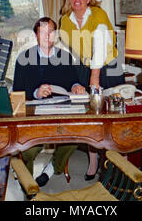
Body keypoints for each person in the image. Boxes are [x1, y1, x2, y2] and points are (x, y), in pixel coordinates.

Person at [59, 0, 125, 181]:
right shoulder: (65, 20)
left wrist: (94, 77)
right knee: (90, 117)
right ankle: (94, 161)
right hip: (84, 66)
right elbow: (68, 48)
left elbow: (100, 45)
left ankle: (117, 164)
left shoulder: (98, 15)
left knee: (112, 117)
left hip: (107, 66)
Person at [12, 17, 86, 187]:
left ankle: (51, 168)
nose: (47, 36)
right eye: (43, 32)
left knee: (75, 137)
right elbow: (17, 92)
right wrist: (35, 93)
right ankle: (28, 186)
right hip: (35, 116)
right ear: (36, 35)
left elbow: (73, 81)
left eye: (51, 32)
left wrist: (76, 87)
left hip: (61, 112)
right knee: (29, 151)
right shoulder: (24, 59)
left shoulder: (65, 56)